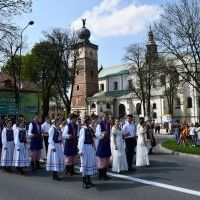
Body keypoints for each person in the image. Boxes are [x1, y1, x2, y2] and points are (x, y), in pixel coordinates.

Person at [78, 116, 97, 189]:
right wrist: (80, 150)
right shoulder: (83, 129)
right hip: (85, 148)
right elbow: (81, 140)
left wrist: (102, 134)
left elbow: (95, 136)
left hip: (90, 148)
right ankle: (84, 182)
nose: (91, 121)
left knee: (89, 163)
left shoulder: (90, 128)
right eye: (90, 120)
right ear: (87, 121)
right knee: (84, 165)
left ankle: (88, 180)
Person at [95, 111, 112, 180]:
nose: (106, 118)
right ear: (102, 117)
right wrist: (102, 134)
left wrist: (108, 135)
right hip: (102, 143)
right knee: (102, 160)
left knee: (107, 159)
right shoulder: (99, 124)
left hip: (107, 143)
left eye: (107, 117)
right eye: (105, 116)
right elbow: (97, 135)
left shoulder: (108, 124)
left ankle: (104, 174)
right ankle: (100, 175)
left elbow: (110, 133)